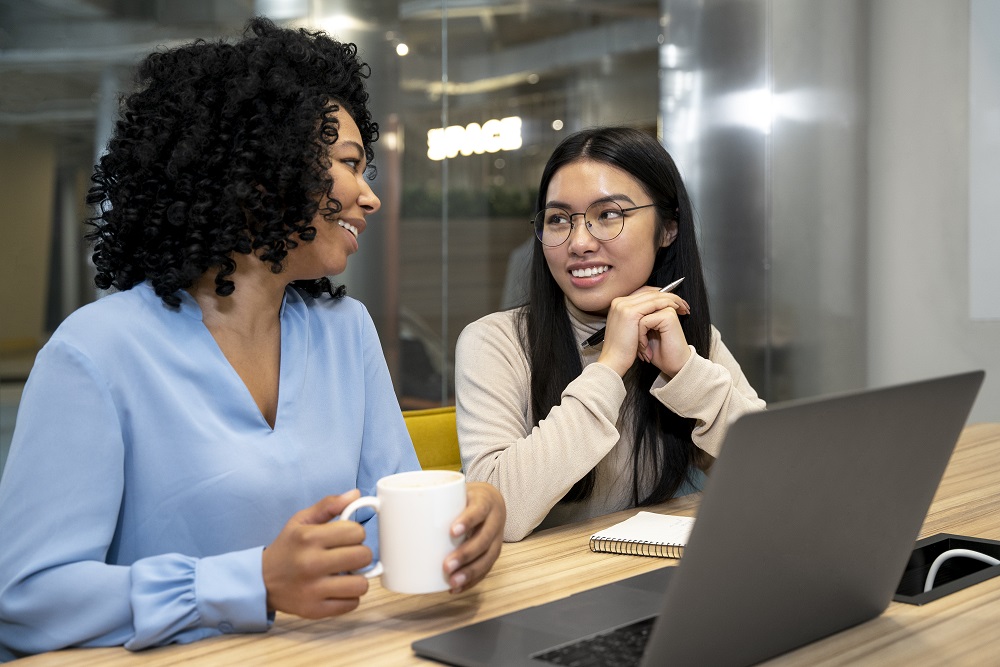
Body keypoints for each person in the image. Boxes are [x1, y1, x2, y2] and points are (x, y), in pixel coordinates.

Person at [0, 18, 504, 660]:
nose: (369, 197)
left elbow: (383, 527)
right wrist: (252, 583)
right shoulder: (97, 351)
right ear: (261, 173)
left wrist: (464, 520)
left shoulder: (346, 332)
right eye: (350, 165)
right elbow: (24, 601)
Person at [455, 126, 765, 542]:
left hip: (654, 585)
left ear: (668, 228)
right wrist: (610, 366)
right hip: (547, 593)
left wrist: (686, 371)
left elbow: (773, 477)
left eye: (609, 215)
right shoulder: (494, 343)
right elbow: (499, 512)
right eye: (559, 219)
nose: (579, 242)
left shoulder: (689, 338)